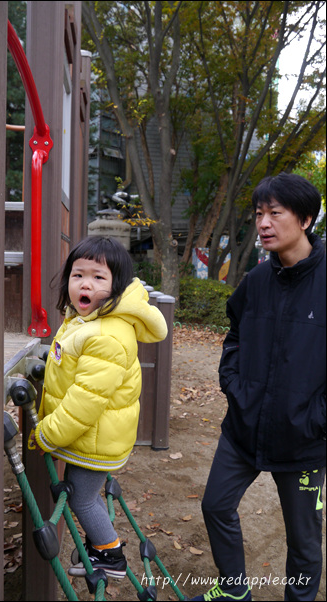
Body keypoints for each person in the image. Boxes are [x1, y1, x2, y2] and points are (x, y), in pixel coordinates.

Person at [189, 173, 326, 602]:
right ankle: (233, 590)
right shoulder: (257, 279)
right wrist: (233, 383)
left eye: (275, 213)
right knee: (215, 505)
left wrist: (318, 418)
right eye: (259, 213)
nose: (263, 223)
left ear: (305, 219)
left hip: (304, 439)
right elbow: (234, 334)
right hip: (244, 426)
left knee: (303, 540)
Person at [29, 235, 168, 578]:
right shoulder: (85, 320)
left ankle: (110, 554)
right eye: (78, 275)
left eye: (98, 277)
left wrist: (46, 434)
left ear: (116, 286)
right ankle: (100, 546)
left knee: (81, 498)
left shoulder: (106, 334)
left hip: (96, 438)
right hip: (95, 435)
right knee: (85, 493)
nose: (85, 284)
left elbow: (84, 402)